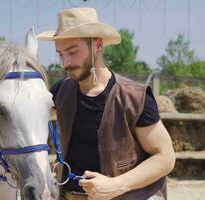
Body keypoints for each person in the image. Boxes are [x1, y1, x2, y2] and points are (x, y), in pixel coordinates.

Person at [37, 7, 175, 200]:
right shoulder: (61, 90)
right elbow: (29, 116)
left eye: (72, 51)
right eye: (60, 54)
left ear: (98, 45)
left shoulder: (134, 96)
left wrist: (116, 185)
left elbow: (165, 157)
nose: (66, 62)